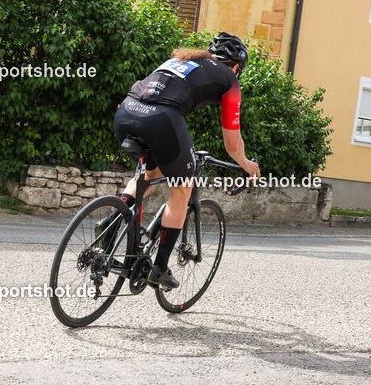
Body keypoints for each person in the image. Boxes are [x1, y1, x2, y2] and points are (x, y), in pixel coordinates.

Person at [110, 32, 260, 289]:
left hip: (126, 111)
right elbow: (233, 144)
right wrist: (247, 166)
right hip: (161, 120)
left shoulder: (183, 61)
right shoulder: (229, 80)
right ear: (236, 67)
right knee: (182, 189)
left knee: (148, 175)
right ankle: (159, 269)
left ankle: (110, 224)